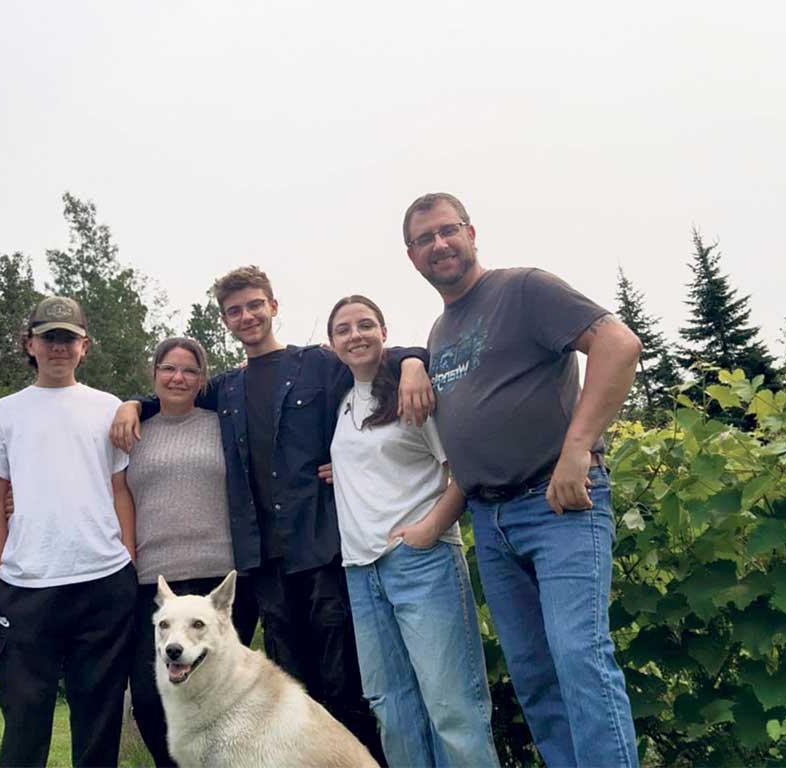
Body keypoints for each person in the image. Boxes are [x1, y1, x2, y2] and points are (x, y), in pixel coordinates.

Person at [111, 266, 433, 763]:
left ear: (273, 306)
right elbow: (177, 393)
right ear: (226, 321)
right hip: (265, 565)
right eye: (235, 310)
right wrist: (135, 403)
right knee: (292, 696)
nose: (247, 316)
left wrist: (412, 362)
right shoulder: (227, 388)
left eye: (254, 305)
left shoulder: (317, 365)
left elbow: (372, 357)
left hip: (321, 550)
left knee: (344, 686)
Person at [403, 192, 643, 767]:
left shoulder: (523, 289)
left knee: (579, 656)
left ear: (471, 232)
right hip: (490, 520)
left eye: (448, 230)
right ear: (410, 256)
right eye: (424, 239)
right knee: (535, 676)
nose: (439, 245)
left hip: (557, 504)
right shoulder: (439, 333)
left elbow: (618, 342)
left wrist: (577, 448)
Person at [326, 295, 500, 767]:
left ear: (384, 332)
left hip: (421, 562)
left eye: (365, 324)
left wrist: (431, 528)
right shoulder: (341, 403)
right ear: (331, 344)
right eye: (343, 329)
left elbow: (463, 468)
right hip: (361, 571)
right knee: (393, 710)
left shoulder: (412, 393)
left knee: (452, 706)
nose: (355, 335)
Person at [0, 296, 138, 768]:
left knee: (98, 719)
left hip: (103, 581)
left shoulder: (107, 407)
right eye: (49, 338)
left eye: (68, 338)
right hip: (27, 585)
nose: (58, 347)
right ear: (31, 345)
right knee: (25, 718)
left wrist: (127, 560)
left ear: (84, 346)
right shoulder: (4, 412)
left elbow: (120, 489)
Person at [124, 336, 259, 767]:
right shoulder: (132, 430)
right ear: (155, 374)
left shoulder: (223, 423)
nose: (178, 378)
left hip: (219, 581)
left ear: (203, 379)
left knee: (223, 699)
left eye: (189, 370)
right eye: (169, 368)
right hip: (153, 582)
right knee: (149, 698)